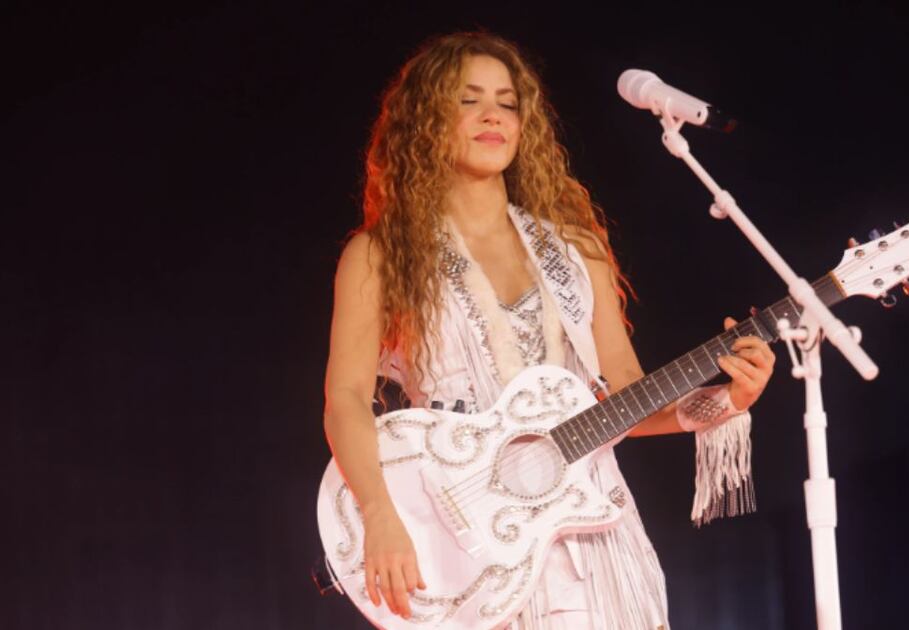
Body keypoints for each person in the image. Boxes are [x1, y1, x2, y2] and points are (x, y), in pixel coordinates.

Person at [322, 31, 776, 629]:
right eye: (468, 100)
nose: (493, 116)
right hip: (471, 551)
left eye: (507, 103)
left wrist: (727, 400)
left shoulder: (575, 250)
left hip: (595, 539)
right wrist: (380, 513)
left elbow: (626, 398)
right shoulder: (380, 254)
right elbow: (346, 399)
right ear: (426, 121)